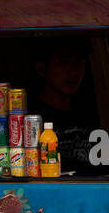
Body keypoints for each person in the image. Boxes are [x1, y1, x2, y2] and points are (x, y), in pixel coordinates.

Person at [32, 38, 98, 174]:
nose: (73, 71)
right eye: (64, 62)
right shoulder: (31, 119)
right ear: (42, 69)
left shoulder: (91, 113)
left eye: (79, 62)